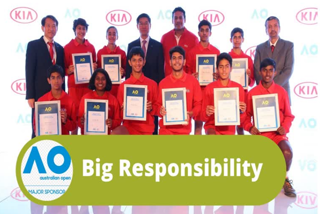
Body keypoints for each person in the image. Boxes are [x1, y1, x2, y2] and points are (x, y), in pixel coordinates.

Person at [243, 58, 296, 197]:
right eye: (265, 70)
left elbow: (289, 116)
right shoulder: (252, 93)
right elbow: (245, 117)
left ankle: (285, 179)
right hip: (260, 136)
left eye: (270, 70)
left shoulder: (281, 92)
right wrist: (249, 127)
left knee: (287, 153)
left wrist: (284, 127)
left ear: (275, 72)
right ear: (260, 72)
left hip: (277, 135)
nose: (267, 74)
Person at [32, 65, 75, 214]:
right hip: (46, 147)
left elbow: (73, 126)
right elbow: (36, 126)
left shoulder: (69, 100)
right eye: (53, 78)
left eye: (59, 78)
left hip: (63, 148)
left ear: (63, 80)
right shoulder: (42, 101)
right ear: (48, 80)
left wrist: (65, 121)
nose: (56, 81)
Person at [26, 15, 65, 138]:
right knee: (38, 127)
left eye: (54, 26)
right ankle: (35, 152)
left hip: (57, 94)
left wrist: (63, 93)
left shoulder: (60, 48)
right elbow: (29, 71)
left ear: (57, 28)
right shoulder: (33, 45)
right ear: (43, 27)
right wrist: (30, 95)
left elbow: (62, 73)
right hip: (39, 94)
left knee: (55, 127)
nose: (51, 29)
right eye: (48, 26)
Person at [126, 13, 164, 134]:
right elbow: (128, 71)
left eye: (146, 23)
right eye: (141, 23)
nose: (143, 26)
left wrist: (157, 92)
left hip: (152, 93)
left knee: (152, 127)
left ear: (150, 25)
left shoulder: (158, 46)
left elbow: (160, 71)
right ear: (137, 26)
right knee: (134, 126)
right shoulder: (131, 45)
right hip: (134, 93)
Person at [157, 46, 202, 135]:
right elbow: (157, 106)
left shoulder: (193, 81)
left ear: (184, 61)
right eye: (174, 58)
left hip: (184, 130)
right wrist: (160, 110)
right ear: (169, 62)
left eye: (179, 58)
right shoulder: (163, 83)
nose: (177, 61)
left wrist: (190, 113)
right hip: (165, 130)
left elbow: (198, 105)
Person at [186, 20, 220, 135]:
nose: (204, 33)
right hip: (198, 92)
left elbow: (221, 73)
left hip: (212, 92)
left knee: (212, 124)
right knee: (198, 125)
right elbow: (186, 74)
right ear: (198, 33)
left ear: (210, 33)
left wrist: (217, 75)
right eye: (202, 30)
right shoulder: (192, 53)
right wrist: (191, 76)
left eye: (207, 30)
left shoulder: (216, 52)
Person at [64, 18, 97, 134]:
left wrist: (94, 66)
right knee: (74, 121)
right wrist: (68, 70)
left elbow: (95, 67)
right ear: (74, 30)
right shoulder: (67, 48)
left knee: (87, 119)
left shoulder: (91, 47)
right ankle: (73, 148)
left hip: (87, 88)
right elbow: (62, 70)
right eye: (79, 28)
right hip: (74, 89)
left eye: (83, 28)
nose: (81, 31)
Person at [201, 53, 246, 135]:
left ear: (231, 68)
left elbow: (241, 119)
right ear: (217, 69)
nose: (224, 70)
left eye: (227, 66)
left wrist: (242, 112)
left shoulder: (238, 89)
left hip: (229, 128)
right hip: (212, 127)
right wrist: (206, 113)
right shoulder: (209, 88)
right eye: (221, 67)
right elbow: (202, 116)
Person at [118, 47, 158, 135]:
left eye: (140, 60)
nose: (137, 63)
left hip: (147, 130)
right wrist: (123, 109)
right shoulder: (123, 86)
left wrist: (151, 108)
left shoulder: (152, 84)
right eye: (134, 60)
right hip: (129, 130)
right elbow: (119, 115)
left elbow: (158, 109)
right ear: (129, 62)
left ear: (144, 62)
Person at [254, 16, 294, 103]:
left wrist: (272, 87)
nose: (273, 29)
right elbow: (257, 71)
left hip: (282, 91)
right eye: (269, 26)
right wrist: (265, 88)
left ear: (279, 28)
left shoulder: (288, 46)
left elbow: (288, 70)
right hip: (263, 94)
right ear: (266, 30)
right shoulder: (260, 48)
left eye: (275, 26)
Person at [78, 69, 122, 135]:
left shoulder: (113, 99)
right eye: (97, 79)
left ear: (107, 81)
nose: (100, 81)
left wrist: (112, 123)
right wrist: (81, 121)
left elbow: (118, 121)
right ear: (93, 81)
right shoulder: (85, 98)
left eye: (103, 79)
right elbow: (78, 121)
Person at [229, 27, 254, 135]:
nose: (237, 40)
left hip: (243, 95)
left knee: (240, 126)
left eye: (239, 37)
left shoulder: (247, 59)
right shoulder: (227, 57)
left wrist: (248, 77)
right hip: (229, 94)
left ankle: (241, 150)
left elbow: (251, 82)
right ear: (231, 39)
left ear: (243, 39)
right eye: (235, 37)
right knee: (228, 124)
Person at [161, 7, 198, 76]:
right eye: (175, 18)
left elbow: (195, 62)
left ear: (185, 20)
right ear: (172, 20)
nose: (178, 20)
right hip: (168, 80)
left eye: (180, 18)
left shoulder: (193, 39)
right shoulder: (165, 38)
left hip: (186, 81)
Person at [97, 26, 127, 97]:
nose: (112, 36)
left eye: (114, 34)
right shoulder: (100, 52)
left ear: (117, 37)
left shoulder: (122, 53)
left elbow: (125, 72)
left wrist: (123, 72)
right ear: (106, 36)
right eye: (109, 34)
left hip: (117, 88)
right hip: (104, 87)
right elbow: (97, 72)